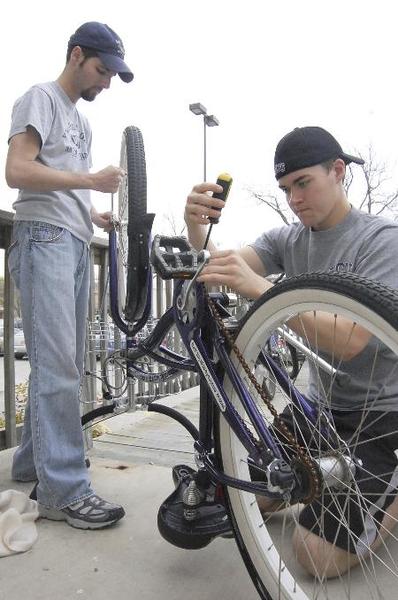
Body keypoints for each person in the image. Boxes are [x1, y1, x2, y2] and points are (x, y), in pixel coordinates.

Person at [184, 126, 398, 576]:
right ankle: (334, 482)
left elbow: (353, 342)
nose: (295, 198)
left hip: (383, 416)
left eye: (304, 183)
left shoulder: (383, 240)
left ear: (337, 171)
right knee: (244, 492)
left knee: (314, 558)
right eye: (286, 189)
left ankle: (386, 491)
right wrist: (195, 226)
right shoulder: (289, 240)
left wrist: (264, 292)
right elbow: (224, 266)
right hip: (323, 409)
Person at [5, 21, 134, 529]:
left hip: (74, 240)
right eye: (101, 71)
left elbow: (58, 182)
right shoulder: (40, 98)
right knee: (59, 365)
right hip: (45, 241)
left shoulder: (81, 122)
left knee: (58, 362)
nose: (105, 83)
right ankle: (62, 492)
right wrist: (90, 180)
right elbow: (17, 170)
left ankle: (32, 463)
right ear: (77, 56)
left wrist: (92, 213)